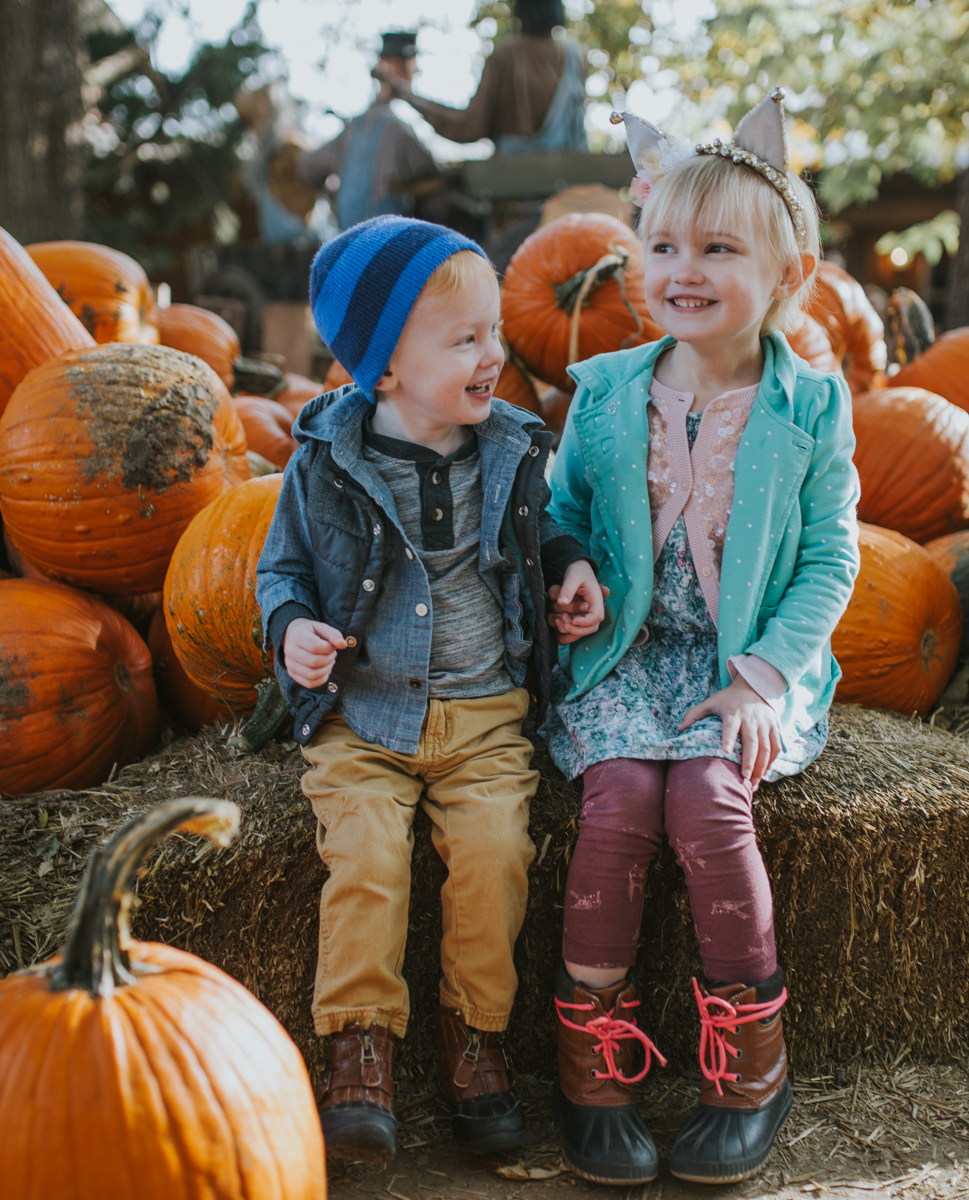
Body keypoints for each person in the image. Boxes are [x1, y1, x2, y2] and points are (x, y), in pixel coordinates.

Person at [540, 90, 862, 1186]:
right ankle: (594, 1057)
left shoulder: (811, 406)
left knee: (709, 801)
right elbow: (562, 514)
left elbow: (831, 560)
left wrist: (765, 679)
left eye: (719, 248)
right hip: (627, 657)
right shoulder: (603, 394)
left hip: (744, 667)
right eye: (664, 244)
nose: (684, 267)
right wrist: (572, 571)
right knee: (622, 799)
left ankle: (748, 1063)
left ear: (787, 277)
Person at [255, 214, 607, 1164]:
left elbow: (540, 534)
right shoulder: (324, 462)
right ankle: (359, 1048)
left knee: (495, 855)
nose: (494, 354)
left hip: (487, 712)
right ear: (382, 370)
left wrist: (567, 569)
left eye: (495, 331)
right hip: (364, 717)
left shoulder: (511, 446)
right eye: (466, 340)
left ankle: (475, 1038)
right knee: (368, 857)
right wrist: (293, 633)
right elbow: (281, 573)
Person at [375, 0, 587, 155]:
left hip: (514, 197)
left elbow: (467, 127)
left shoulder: (505, 57)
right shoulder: (575, 56)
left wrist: (405, 93)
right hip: (571, 194)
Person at [297, 32, 439, 231]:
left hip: (350, 245)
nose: (416, 71)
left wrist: (334, 198)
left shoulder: (351, 130)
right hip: (388, 247)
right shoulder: (399, 131)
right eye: (410, 63)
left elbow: (307, 167)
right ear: (395, 66)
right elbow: (434, 186)